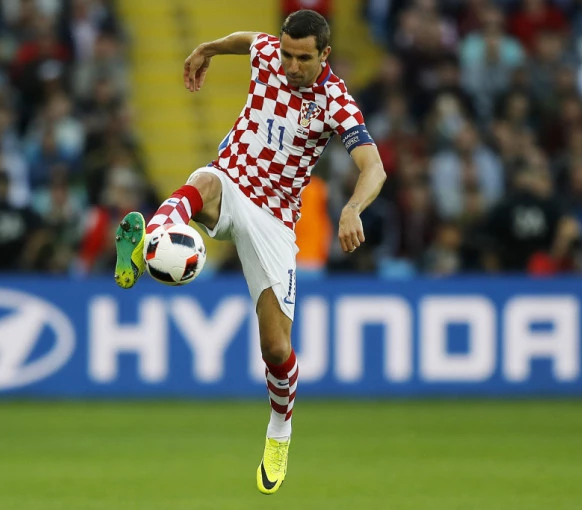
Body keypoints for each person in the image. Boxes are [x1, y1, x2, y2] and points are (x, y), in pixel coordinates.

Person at [113, 10, 386, 494]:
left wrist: (352, 209)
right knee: (205, 181)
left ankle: (279, 432)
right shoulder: (268, 53)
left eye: (302, 59)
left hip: (275, 220)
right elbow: (247, 39)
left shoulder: (336, 101)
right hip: (232, 181)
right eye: (286, 54)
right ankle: (150, 238)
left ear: (324, 55)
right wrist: (209, 49)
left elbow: (374, 168)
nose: (290, 65)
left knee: (276, 348)